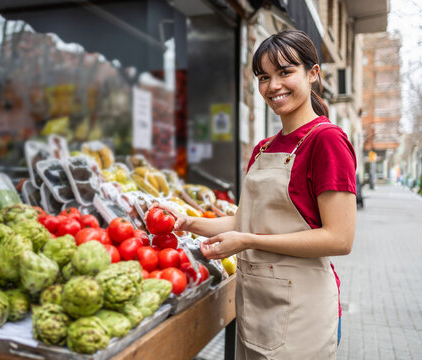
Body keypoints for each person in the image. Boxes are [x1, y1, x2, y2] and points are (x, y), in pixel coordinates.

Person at [153, 30, 357, 359]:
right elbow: (244, 221)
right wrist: (187, 223)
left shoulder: (327, 141)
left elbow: (339, 239)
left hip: (302, 311)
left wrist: (248, 241)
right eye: (264, 77)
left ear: (313, 73)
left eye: (285, 72)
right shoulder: (263, 149)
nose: (273, 86)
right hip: (256, 309)